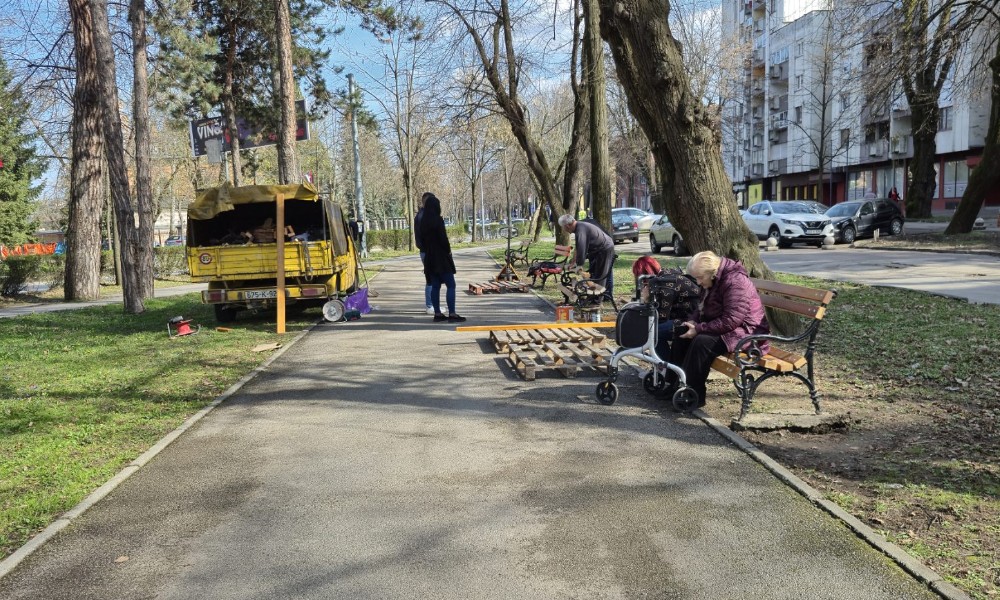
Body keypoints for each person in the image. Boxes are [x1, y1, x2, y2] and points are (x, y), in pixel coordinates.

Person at [671, 251, 770, 408]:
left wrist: (698, 329)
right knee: (681, 332)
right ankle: (674, 384)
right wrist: (693, 322)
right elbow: (701, 308)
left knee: (702, 342)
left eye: (699, 278)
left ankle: (694, 394)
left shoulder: (735, 281)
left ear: (712, 272)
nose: (697, 282)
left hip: (748, 333)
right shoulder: (712, 280)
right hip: (729, 327)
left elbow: (732, 320)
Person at [632, 256, 700, 361]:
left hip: (690, 321)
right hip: (687, 317)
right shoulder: (666, 276)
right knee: (651, 330)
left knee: (653, 333)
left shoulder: (665, 284)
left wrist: (646, 299)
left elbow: (660, 317)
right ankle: (666, 364)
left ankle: (667, 367)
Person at [420, 193, 466, 323]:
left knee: (435, 286)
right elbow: (443, 239)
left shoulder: (423, 221)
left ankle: (438, 313)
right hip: (441, 257)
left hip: (430, 257)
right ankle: (452, 313)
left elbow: (421, 241)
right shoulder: (438, 220)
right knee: (451, 285)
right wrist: (448, 251)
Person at [557, 213, 616, 301]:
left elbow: (581, 249)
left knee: (600, 275)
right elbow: (578, 247)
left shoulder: (580, 229)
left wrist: (579, 265)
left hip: (604, 249)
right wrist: (574, 262)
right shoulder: (579, 228)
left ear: (568, 225)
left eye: (563, 227)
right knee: (595, 274)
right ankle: (595, 297)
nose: (564, 230)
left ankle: (597, 300)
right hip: (598, 250)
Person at [414, 194, 434, 315]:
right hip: (427, 251)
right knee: (431, 279)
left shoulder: (421, 215)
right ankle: (430, 305)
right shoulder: (424, 217)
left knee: (431, 278)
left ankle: (431, 305)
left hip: (425, 250)